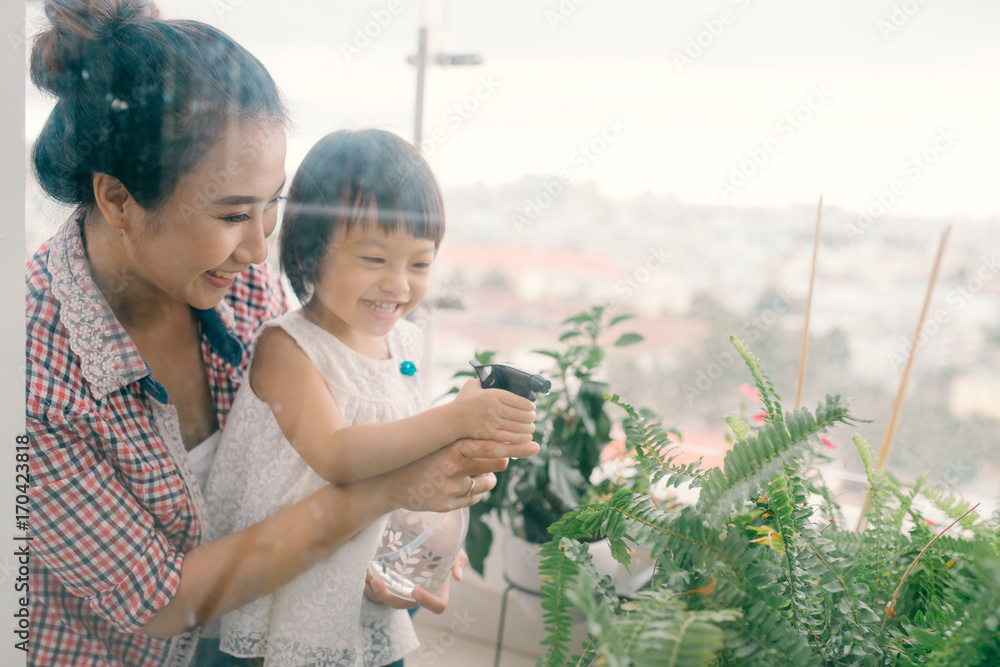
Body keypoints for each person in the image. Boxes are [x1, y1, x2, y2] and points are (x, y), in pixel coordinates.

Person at [24, 2, 539, 666]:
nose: (262, 247)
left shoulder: (234, 281)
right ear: (118, 199)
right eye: (234, 212)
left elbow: (293, 472)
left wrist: (381, 545)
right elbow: (162, 603)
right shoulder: (32, 367)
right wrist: (391, 489)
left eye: (274, 203)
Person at [203, 128, 536, 666]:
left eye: (420, 264)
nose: (398, 285)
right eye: (374, 260)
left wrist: (434, 543)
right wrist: (454, 418)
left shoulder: (401, 343)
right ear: (311, 255)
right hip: (283, 598)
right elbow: (338, 455)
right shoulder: (287, 347)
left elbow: (401, 461)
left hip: (361, 593)